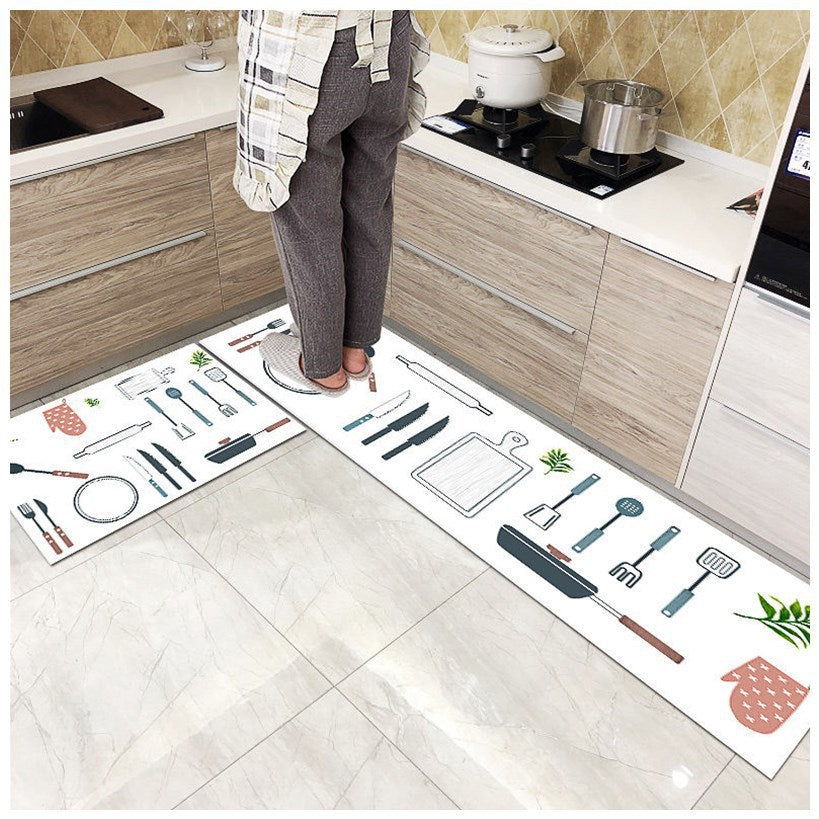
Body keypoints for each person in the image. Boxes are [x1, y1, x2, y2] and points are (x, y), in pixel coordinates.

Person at [233, 10, 430, 394]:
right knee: (369, 206)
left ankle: (323, 364)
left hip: (313, 48)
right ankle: (354, 349)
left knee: (309, 220)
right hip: (389, 41)